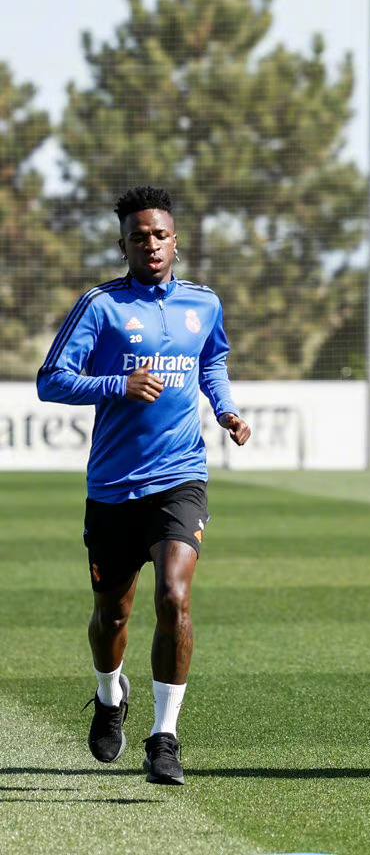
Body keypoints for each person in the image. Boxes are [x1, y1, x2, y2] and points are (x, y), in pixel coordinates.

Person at [38, 186, 251, 786]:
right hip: (113, 486)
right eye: (139, 237)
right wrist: (117, 384)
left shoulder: (204, 303)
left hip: (180, 477)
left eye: (160, 235)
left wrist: (226, 409)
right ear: (123, 245)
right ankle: (110, 695)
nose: (151, 245)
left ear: (175, 241)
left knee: (175, 598)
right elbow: (51, 379)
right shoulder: (100, 306)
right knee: (111, 616)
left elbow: (212, 362)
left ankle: (165, 737)